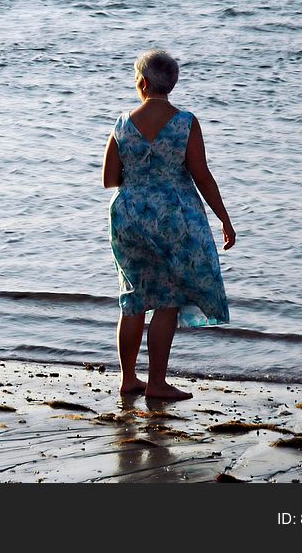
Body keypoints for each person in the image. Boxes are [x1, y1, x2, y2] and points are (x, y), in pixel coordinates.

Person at [101, 50, 235, 401]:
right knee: (168, 300)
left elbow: (108, 179)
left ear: (142, 83)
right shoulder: (185, 121)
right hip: (174, 216)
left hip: (128, 214)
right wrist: (224, 217)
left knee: (132, 299)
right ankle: (157, 383)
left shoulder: (121, 123)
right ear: (170, 84)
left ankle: (129, 379)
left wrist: (140, 177)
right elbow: (200, 174)